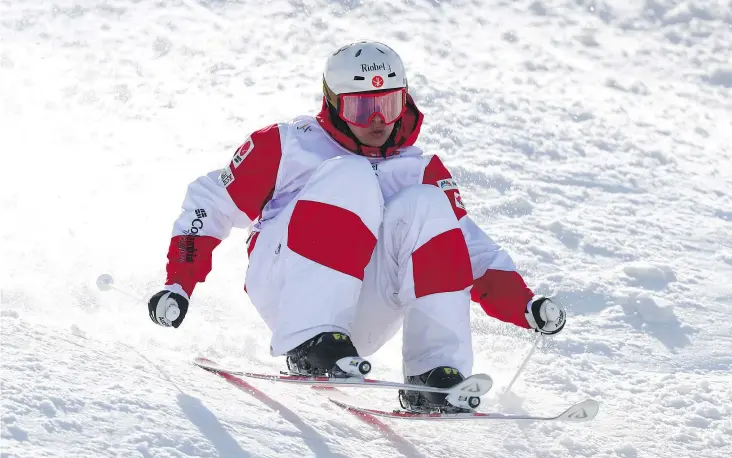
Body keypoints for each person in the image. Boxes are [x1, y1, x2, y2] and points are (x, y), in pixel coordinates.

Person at [148, 40, 566, 412]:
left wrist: (525, 305)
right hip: (288, 289)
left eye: (388, 104)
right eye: (360, 107)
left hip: (361, 313)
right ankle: (309, 338)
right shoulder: (290, 144)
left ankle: (433, 374)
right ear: (332, 102)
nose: (376, 120)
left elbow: (472, 249)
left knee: (428, 203)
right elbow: (210, 201)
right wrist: (178, 282)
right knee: (350, 175)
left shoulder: (419, 168)